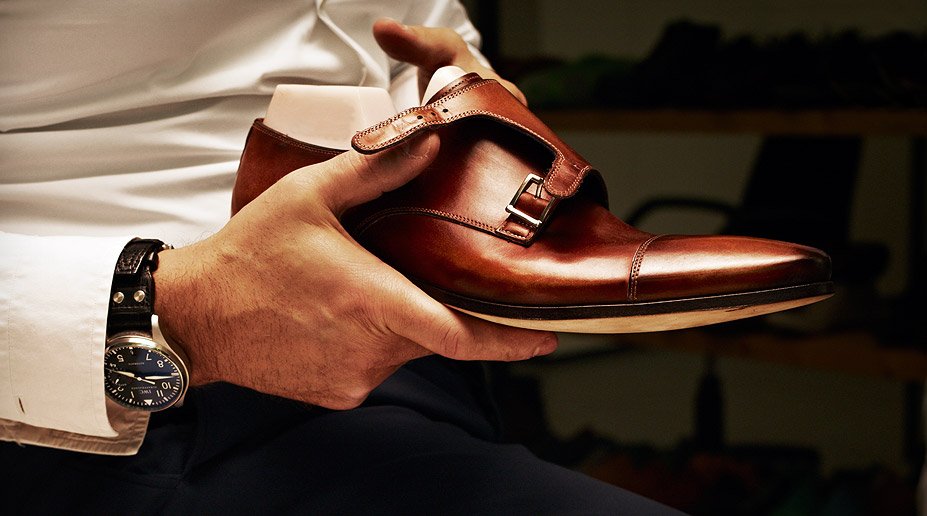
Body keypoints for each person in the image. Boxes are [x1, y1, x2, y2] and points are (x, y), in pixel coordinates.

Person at [0, 1, 680, 513]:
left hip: (402, 346)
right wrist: (182, 308)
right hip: (107, 404)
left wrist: (461, 91)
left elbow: (409, 28)